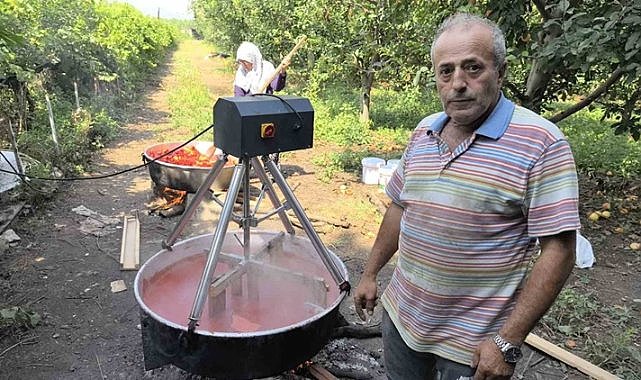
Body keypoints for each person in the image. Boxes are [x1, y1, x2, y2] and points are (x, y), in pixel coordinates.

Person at [353, 13, 580, 380]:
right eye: (446, 71)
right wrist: (370, 273)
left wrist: (507, 342)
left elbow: (560, 250)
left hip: (473, 347)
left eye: (472, 68)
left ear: (501, 72)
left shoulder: (541, 143)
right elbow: (399, 206)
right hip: (402, 320)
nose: (457, 83)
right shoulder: (424, 131)